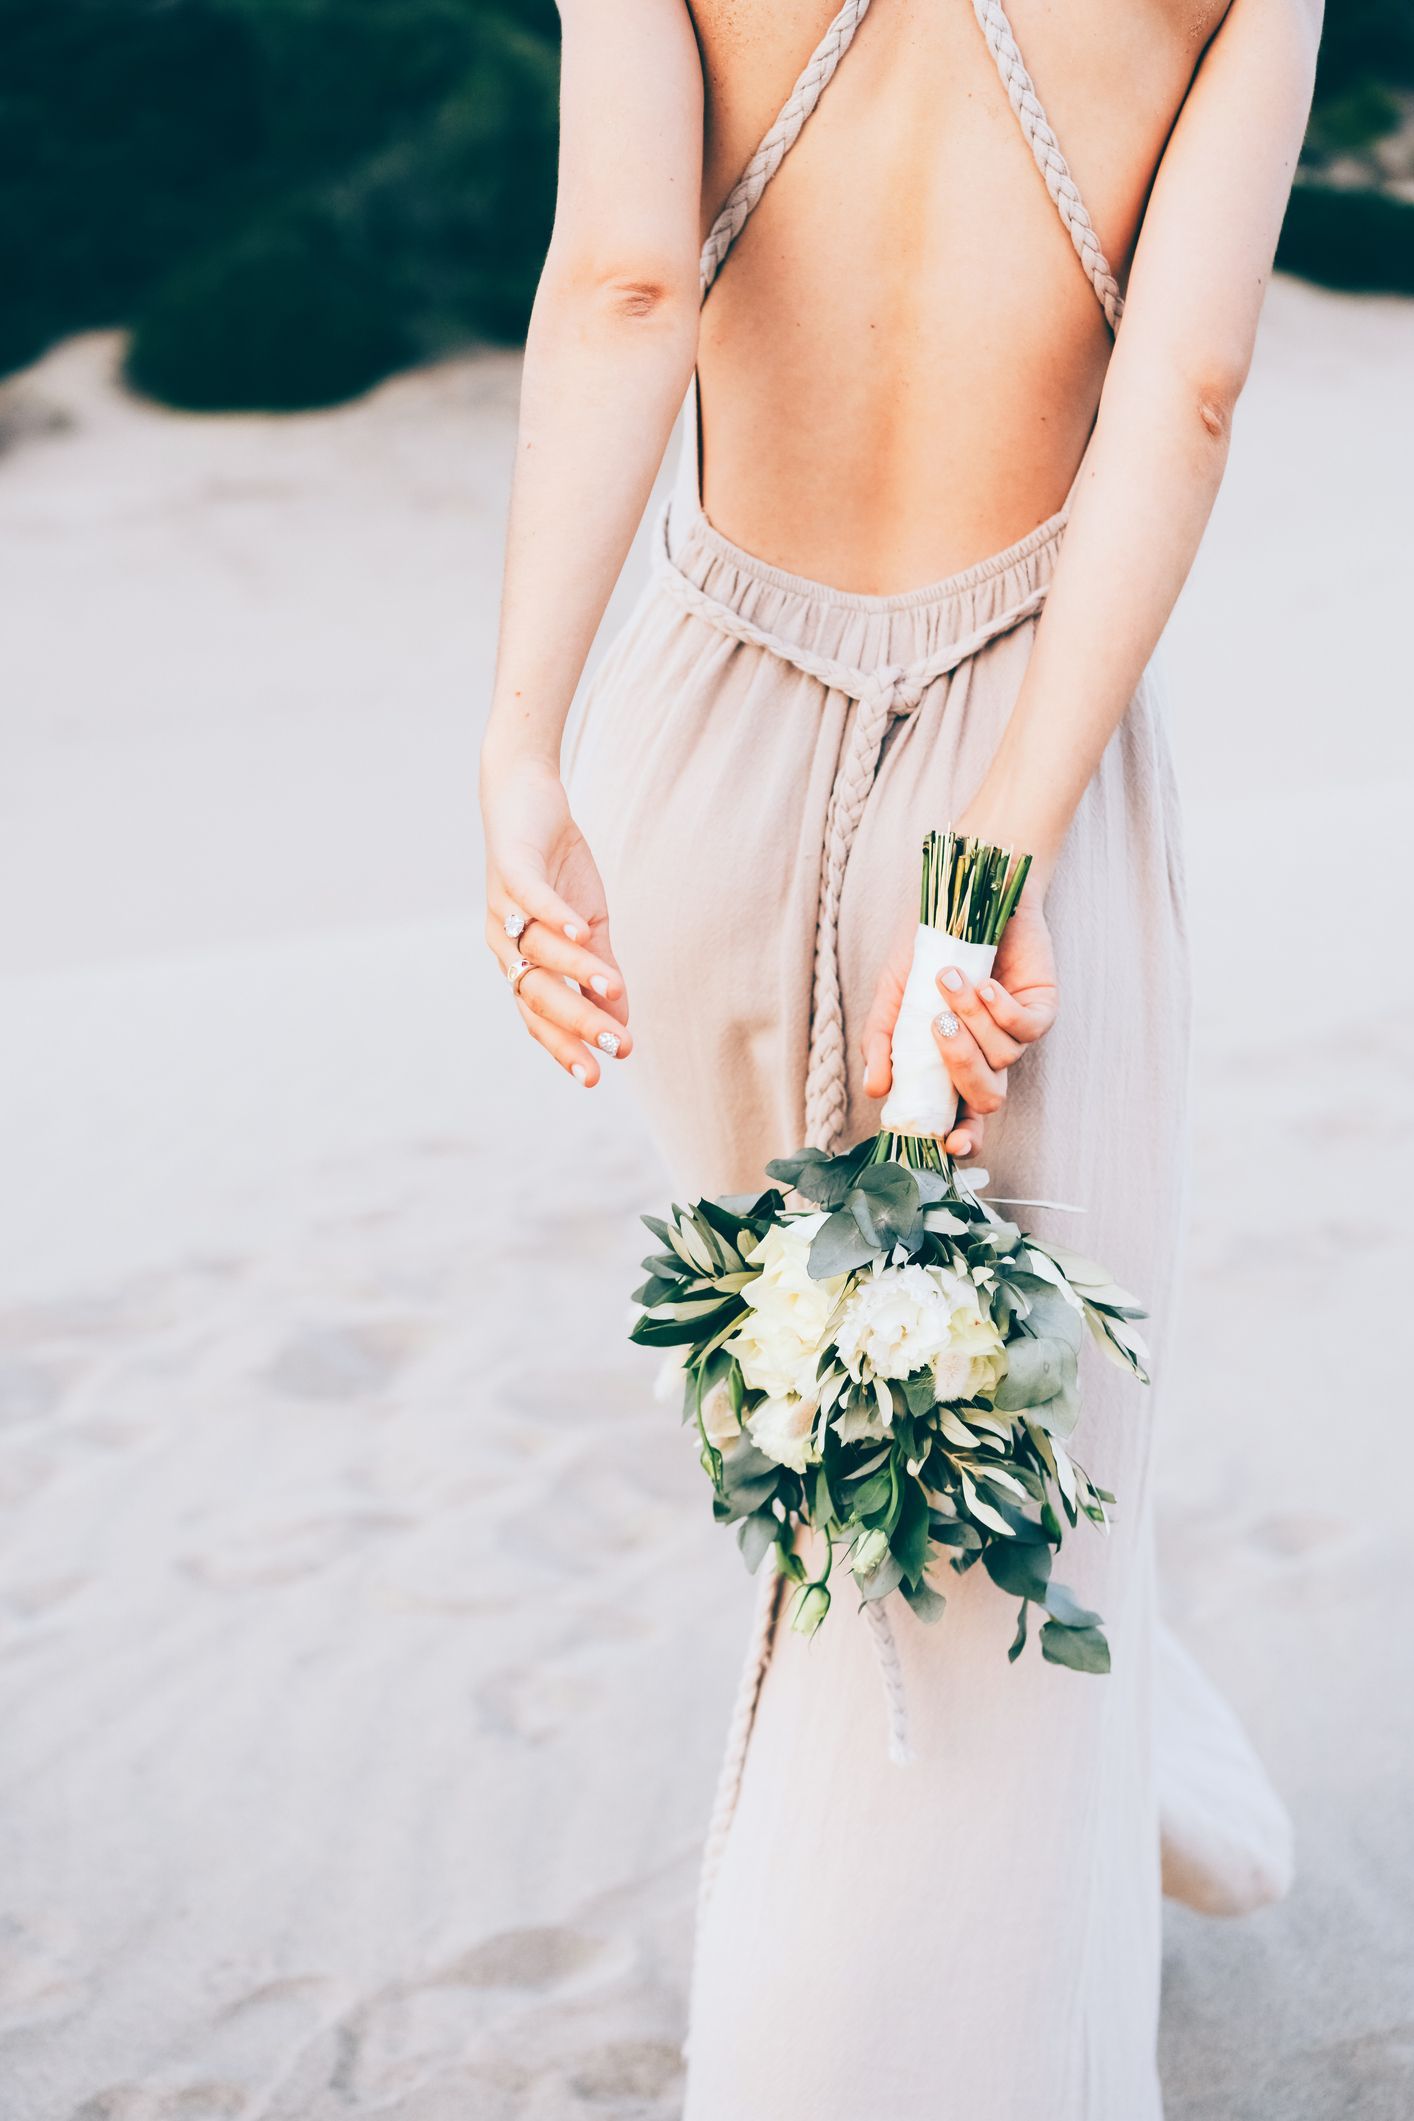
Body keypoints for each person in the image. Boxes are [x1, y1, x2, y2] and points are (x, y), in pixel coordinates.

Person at [480, 2, 1318, 2111]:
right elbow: (1182, 389)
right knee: (1008, 1444)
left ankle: (1118, 1776)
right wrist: (991, 857)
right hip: (1012, 755)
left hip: (697, 744)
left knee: (829, 1454)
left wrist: (519, 741)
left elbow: (623, 283)